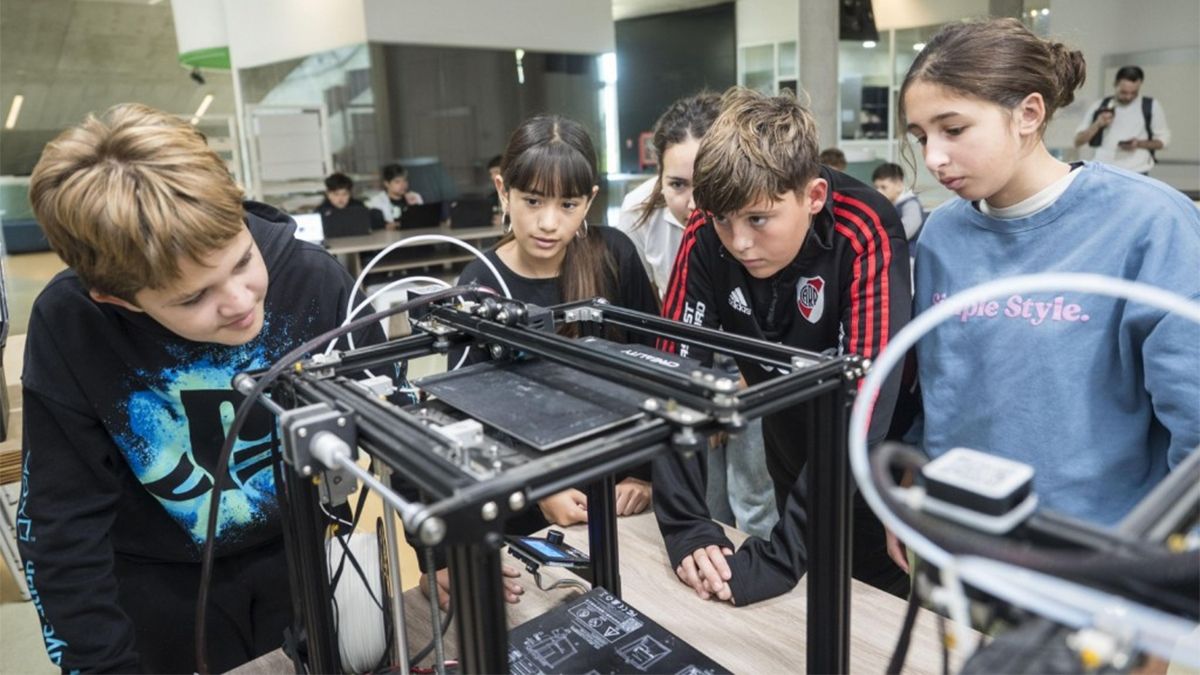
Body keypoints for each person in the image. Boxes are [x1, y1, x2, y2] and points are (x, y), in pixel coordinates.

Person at [17, 104, 387, 673]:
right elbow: (60, 526)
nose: (241, 301)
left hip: (304, 564)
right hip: (158, 588)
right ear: (117, 299)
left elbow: (402, 422)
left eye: (242, 261)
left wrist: (436, 554)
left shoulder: (314, 279)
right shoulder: (71, 326)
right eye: (193, 297)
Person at [900, 19, 1199, 568]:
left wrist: (1168, 559)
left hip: (1099, 550)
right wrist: (918, 481)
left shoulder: (1148, 223)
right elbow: (941, 385)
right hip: (961, 532)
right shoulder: (943, 234)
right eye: (922, 137)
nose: (935, 158)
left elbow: (1193, 414)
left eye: (953, 129)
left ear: (1028, 114)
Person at [654, 87, 912, 607]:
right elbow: (672, 375)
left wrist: (781, 557)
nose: (738, 242)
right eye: (724, 221)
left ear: (813, 196)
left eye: (758, 220)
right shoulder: (709, 226)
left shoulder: (865, 225)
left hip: (869, 456)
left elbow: (865, 400)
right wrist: (686, 525)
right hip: (788, 437)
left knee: (871, 599)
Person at [419, 114, 659, 609]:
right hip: (528, 523)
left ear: (590, 200)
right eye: (532, 201)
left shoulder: (614, 256)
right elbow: (466, 422)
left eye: (568, 205)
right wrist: (536, 489)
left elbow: (652, 368)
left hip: (619, 506)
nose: (549, 222)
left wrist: (644, 475)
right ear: (502, 190)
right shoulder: (479, 285)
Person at [615, 92, 778, 540]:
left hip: (753, 353)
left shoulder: (752, 221)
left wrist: (727, 397)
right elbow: (652, 308)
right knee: (703, 492)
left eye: (705, 180)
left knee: (754, 490)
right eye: (678, 184)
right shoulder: (635, 215)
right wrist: (695, 393)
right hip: (688, 349)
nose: (693, 202)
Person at [1073, 65, 1170, 175]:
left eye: (1134, 93)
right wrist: (1097, 124)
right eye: (1124, 92)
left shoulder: (1151, 106)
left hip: (1138, 172)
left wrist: (1138, 143)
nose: (1128, 97)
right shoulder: (1099, 106)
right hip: (1104, 171)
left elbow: (1163, 142)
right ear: (1115, 84)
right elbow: (1078, 141)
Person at [872, 162, 927, 241]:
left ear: (899, 185)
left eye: (883, 187)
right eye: (876, 187)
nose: (879, 191)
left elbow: (905, 231)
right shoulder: (889, 205)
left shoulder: (911, 205)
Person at [365, 163, 424, 229]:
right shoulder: (376, 202)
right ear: (386, 184)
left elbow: (422, 221)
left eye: (405, 180)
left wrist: (413, 207)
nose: (403, 185)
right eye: (397, 182)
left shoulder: (415, 196)